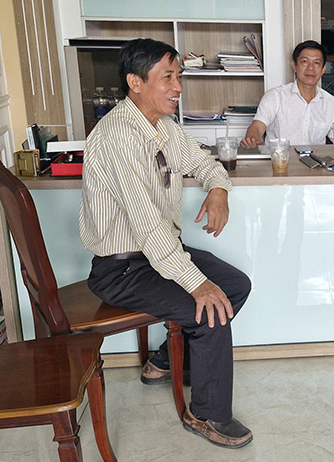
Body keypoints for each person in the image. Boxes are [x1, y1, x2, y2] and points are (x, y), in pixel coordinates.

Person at [79, 38, 253, 449]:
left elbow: (205, 163)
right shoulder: (118, 136)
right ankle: (206, 415)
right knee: (211, 311)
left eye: (179, 76)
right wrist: (197, 284)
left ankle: (164, 359)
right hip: (123, 268)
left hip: (157, 256)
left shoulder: (164, 127)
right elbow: (149, 229)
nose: (178, 86)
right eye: (168, 77)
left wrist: (219, 190)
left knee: (235, 285)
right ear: (135, 82)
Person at [241, 40, 334, 147]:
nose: (310, 68)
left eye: (316, 63)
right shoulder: (275, 96)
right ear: (294, 66)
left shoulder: (331, 103)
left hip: (316, 158)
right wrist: (252, 139)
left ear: (323, 70)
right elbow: (257, 127)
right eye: (305, 61)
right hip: (280, 157)